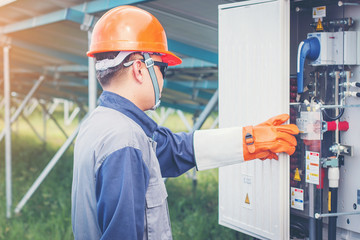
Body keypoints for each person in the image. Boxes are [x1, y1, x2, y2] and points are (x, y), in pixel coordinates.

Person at [71, 5, 299, 240]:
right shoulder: (125, 139)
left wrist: (249, 139)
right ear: (140, 68)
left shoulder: (102, 124)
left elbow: (174, 149)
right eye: (163, 69)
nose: (162, 79)